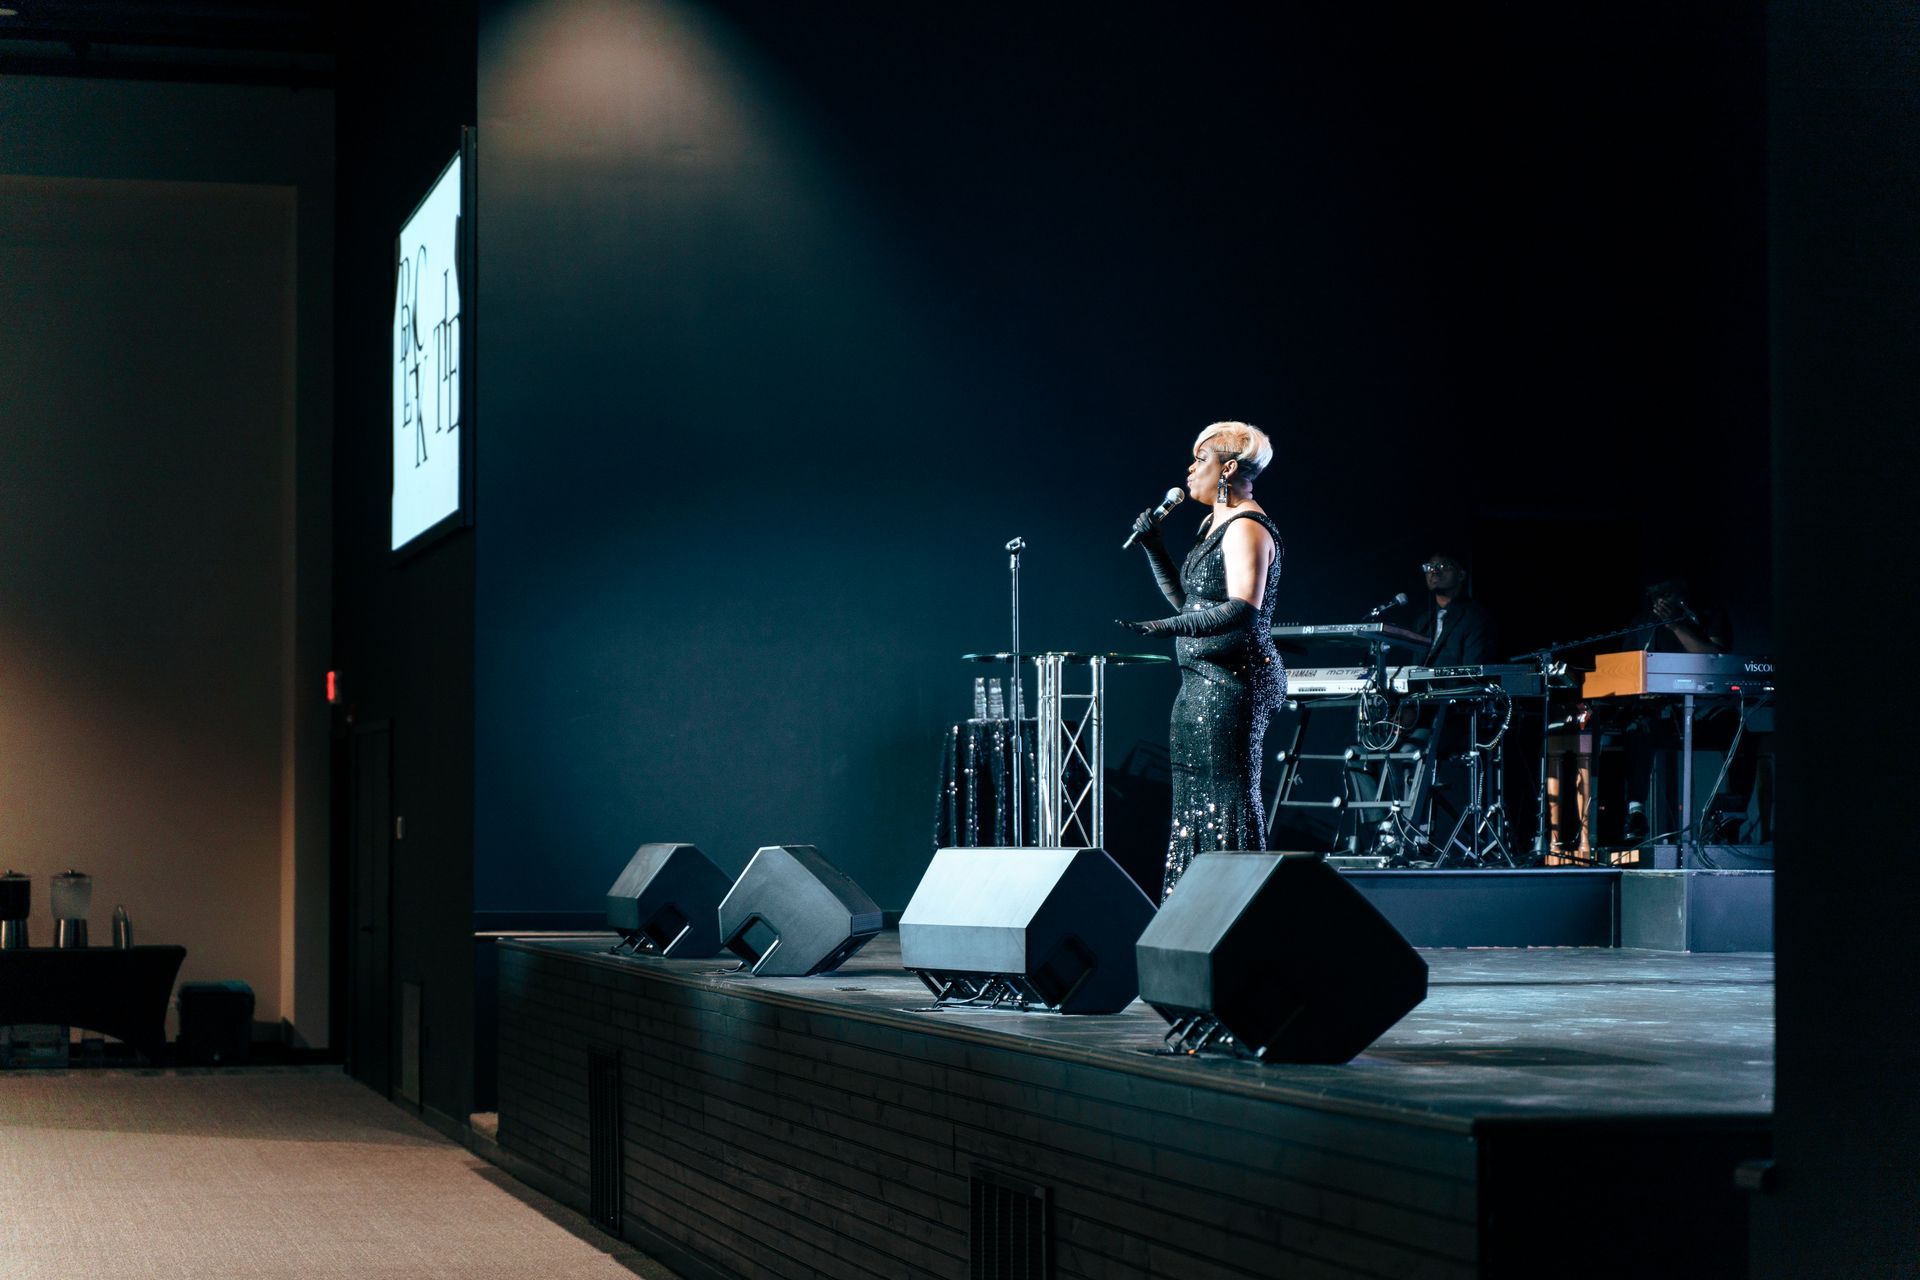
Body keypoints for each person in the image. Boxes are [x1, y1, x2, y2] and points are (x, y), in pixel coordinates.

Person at [1118, 421, 1284, 899]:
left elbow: (1242, 611)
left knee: (1225, 801)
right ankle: (1194, 910)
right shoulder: (1212, 523)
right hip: (1199, 682)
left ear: (1227, 469)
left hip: (1232, 683)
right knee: (1195, 806)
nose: (1190, 470)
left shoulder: (1246, 526)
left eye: (1200, 459)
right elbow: (1190, 604)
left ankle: (1230, 911)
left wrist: (1163, 628)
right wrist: (1155, 549)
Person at [1406, 552, 1493, 667]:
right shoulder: (1423, 621)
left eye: (1442, 566)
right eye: (1430, 567)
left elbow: (1474, 669)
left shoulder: (1475, 617)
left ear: (1461, 575)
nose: (1434, 571)